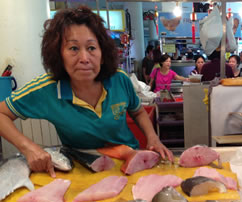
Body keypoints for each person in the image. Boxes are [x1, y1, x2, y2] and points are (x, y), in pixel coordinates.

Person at [0, 6, 173, 177]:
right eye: (73, 48)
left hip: (131, 162)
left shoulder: (119, 79)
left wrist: (153, 138)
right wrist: (28, 148)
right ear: (58, 54)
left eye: (91, 48)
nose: (84, 58)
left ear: (103, 53)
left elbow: (138, 112)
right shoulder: (47, 89)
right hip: (82, 168)